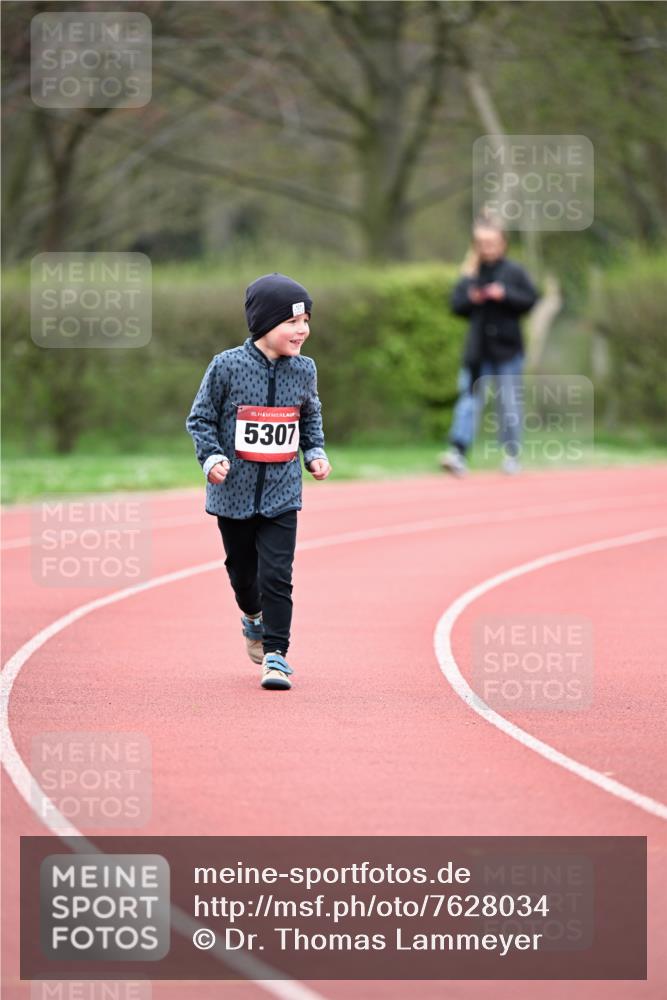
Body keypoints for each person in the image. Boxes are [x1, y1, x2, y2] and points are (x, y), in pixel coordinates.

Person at [186, 273, 331, 691]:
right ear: (265, 323)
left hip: (283, 491)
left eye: (306, 321)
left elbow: (310, 416)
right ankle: (252, 619)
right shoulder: (227, 366)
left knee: (277, 574)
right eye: (293, 322)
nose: (303, 330)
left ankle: (276, 656)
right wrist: (211, 456)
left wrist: (315, 452)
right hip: (232, 492)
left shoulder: (304, 370)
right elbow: (200, 418)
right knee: (243, 574)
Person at [440, 223, 538, 476]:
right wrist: (472, 298)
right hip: (477, 351)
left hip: (507, 350)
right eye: (482, 244)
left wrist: (504, 295)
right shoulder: (471, 272)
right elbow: (455, 304)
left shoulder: (514, 271)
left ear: (503, 243)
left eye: (492, 243)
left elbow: (530, 299)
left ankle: (512, 454)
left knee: (508, 404)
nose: (487, 248)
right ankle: (458, 452)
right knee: (469, 401)